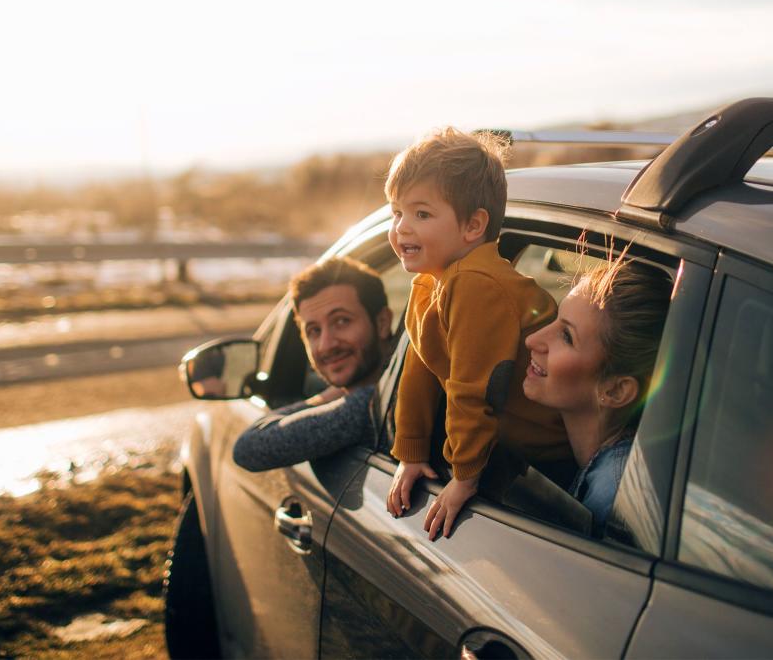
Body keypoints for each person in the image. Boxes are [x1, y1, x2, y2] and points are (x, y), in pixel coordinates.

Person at [383, 128, 571, 540]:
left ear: (473, 226)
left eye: (422, 214)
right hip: (515, 448)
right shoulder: (433, 282)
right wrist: (411, 453)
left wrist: (464, 477)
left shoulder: (475, 284)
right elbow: (420, 369)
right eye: (396, 213)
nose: (402, 229)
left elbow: (473, 389)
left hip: (553, 455)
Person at [523, 258, 673, 537]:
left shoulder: (612, 500)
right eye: (556, 318)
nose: (532, 340)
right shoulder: (617, 470)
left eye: (566, 336)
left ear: (615, 391)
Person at [232, 256, 394, 471]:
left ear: (382, 322)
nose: (326, 345)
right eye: (314, 331)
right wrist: (337, 393)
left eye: (342, 321)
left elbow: (249, 448)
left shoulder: (374, 405)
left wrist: (330, 396)